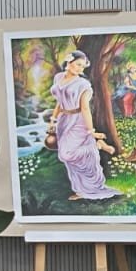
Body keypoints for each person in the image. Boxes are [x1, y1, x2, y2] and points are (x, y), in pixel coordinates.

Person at [45, 50, 121, 202]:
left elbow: (85, 109)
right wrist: (53, 120)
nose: (80, 68)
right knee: (70, 160)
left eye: (83, 66)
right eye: (78, 64)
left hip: (78, 121)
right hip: (64, 121)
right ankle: (80, 190)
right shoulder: (58, 78)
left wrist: (91, 131)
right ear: (69, 62)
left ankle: (98, 146)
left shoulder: (83, 85)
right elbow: (60, 102)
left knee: (66, 154)